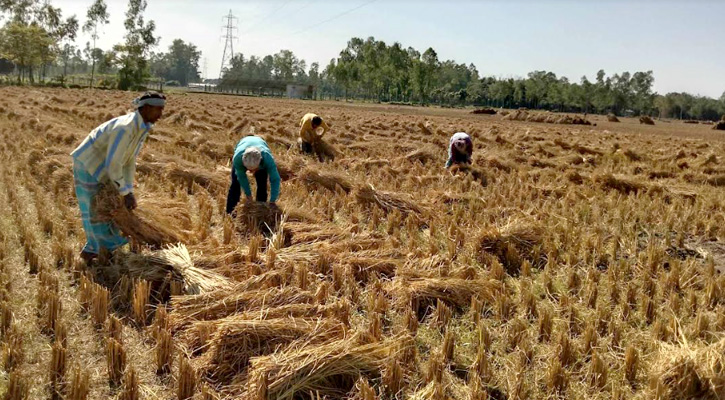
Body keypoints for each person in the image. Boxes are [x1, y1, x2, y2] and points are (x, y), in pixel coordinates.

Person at [70, 91, 166, 263]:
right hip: (89, 164)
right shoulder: (125, 128)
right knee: (95, 211)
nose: (161, 115)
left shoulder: (141, 128)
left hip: (105, 166)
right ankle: (94, 252)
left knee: (110, 209)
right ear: (146, 108)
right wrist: (125, 193)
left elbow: (129, 161)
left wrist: (128, 189)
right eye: (158, 110)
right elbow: (114, 163)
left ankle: (103, 250)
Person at [226, 135, 281, 215]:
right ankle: (230, 213)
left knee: (262, 185)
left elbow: (275, 179)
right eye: (249, 169)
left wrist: (273, 200)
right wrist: (248, 195)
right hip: (243, 143)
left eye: (254, 169)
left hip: (260, 145)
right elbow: (241, 178)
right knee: (235, 185)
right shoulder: (237, 159)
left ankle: (261, 211)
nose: (251, 172)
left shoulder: (267, 158)